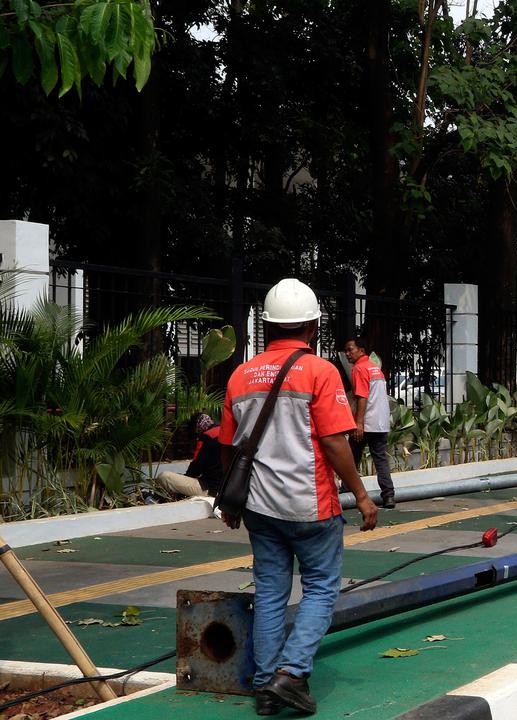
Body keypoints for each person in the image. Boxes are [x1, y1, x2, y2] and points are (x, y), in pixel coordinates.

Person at [220, 278, 379, 717]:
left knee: (270, 592)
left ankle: (265, 685)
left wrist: (231, 504)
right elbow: (334, 443)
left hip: (259, 508)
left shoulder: (241, 374)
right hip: (311, 506)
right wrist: (363, 496)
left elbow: (228, 447)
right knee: (322, 589)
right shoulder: (321, 371)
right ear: (312, 325)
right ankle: (290, 674)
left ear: (268, 327)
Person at [344, 338, 396, 509]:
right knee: (380, 459)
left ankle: (346, 491)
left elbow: (362, 397)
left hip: (366, 422)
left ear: (361, 350)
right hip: (380, 422)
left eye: (351, 350)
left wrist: (358, 423)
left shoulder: (359, 368)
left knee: (351, 458)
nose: (348, 353)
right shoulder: (375, 369)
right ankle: (389, 495)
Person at [154, 413, 224, 500]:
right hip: (226, 489)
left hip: (210, 490)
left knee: (164, 477)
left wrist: (184, 477)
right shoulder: (225, 432)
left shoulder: (207, 437)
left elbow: (195, 469)